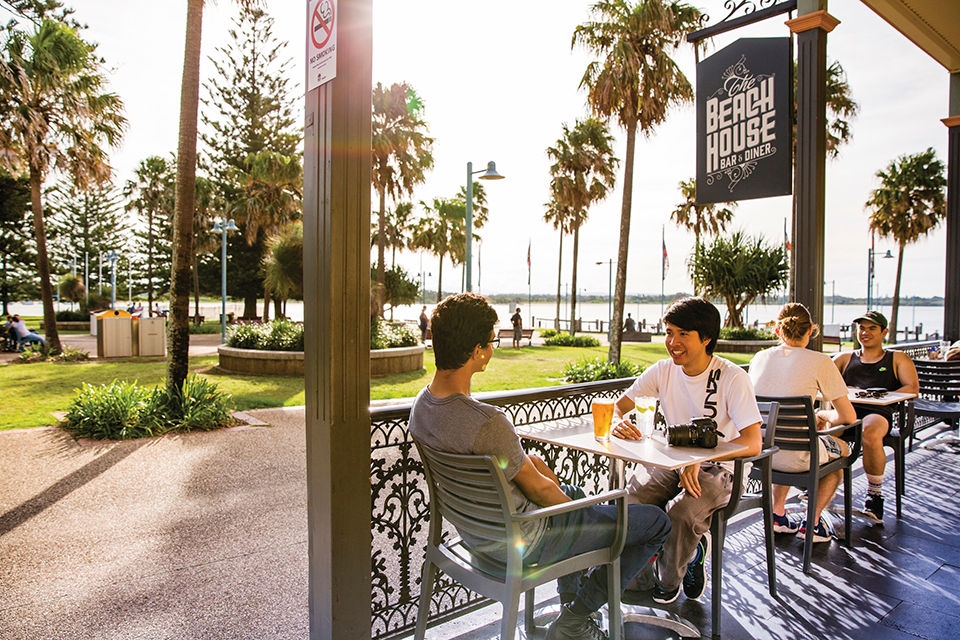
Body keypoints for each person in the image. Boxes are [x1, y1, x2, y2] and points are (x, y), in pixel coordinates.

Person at [408, 293, 671, 640]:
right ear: (477, 352)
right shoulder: (488, 422)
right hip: (527, 541)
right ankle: (576, 617)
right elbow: (543, 492)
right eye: (492, 340)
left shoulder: (422, 407)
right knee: (656, 523)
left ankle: (568, 606)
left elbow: (518, 473)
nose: (493, 347)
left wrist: (550, 483)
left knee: (572, 491)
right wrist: (584, 513)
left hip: (478, 536)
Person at [611, 297, 762, 604]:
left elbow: (753, 442)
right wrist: (617, 424)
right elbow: (618, 407)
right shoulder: (662, 371)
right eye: (669, 332)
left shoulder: (733, 377)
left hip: (722, 470)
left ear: (706, 338)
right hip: (673, 462)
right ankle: (637, 578)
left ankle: (671, 580)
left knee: (680, 513)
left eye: (683, 334)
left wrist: (701, 458)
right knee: (631, 501)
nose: (672, 342)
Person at [749, 303, 857, 543]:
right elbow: (848, 417)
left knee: (794, 440)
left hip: (763, 454)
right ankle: (813, 523)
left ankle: (778, 515)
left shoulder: (759, 358)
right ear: (810, 331)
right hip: (797, 459)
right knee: (841, 455)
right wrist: (823, 416)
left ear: (777, 331)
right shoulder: (820, 361)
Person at [832, 310, 918, 524]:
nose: (865, 332)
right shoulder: (843, 359)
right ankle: (820, 483)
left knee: (869, 431)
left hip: (878, 413)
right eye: (861, 328)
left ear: (884, 332)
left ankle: (874, 494)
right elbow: (825, 385)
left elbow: (912, 388)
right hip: (847, 411)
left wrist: (878, 394)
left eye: (872, 328)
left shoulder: (897, 358)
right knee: (822, 426)